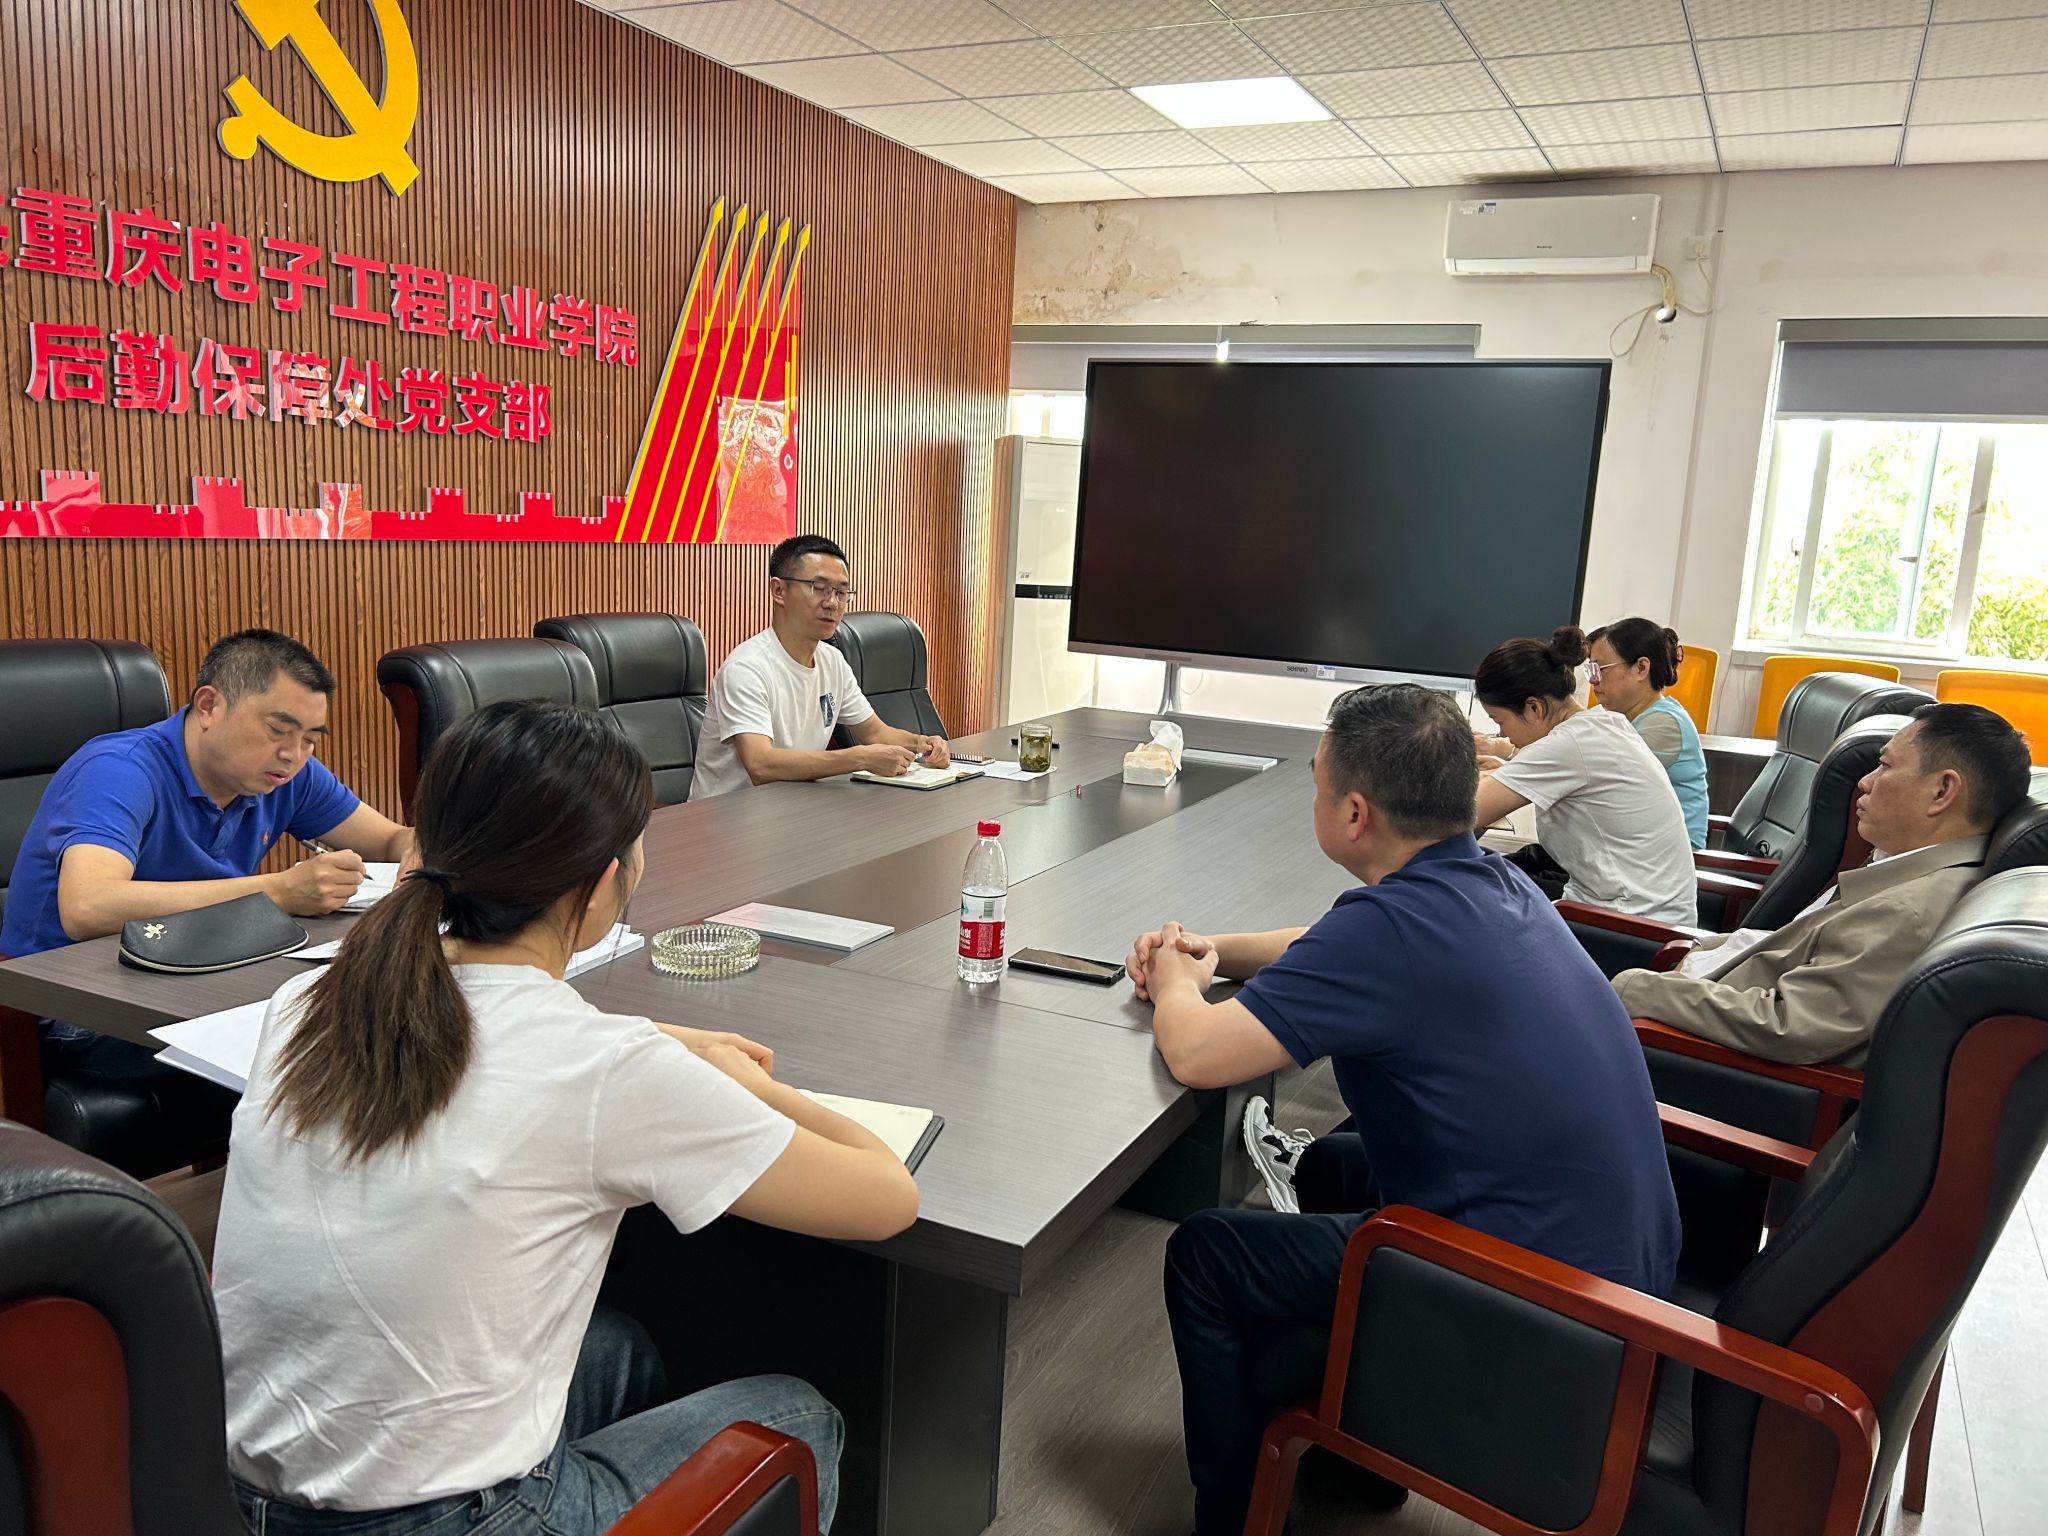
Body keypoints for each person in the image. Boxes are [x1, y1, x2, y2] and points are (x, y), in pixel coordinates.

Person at [213, 700, 919, 1534]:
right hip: (434, 1521)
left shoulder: (305, 1001)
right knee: (797, 1413)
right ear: (603, 884)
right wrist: (748, 1083)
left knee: (617, 1351)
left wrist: (657, 1040)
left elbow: (500, 1038)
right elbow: (887, 1198)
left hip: (233, 1497)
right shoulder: (608, 1073)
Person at [1123, 684, 1680, 1536]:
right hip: (1613, 1275)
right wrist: (1213, 952)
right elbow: (1328, 945)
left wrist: (1172, 983)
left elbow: (1196, 1054)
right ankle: (1365, 1451)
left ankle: (1231, 1521)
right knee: (1331, 1162)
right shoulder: (1494, 881)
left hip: (1541, 1315)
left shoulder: (1396, 930)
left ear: (1354, 813)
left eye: (1316, 782)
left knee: (1207, 1254)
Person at [0, 628, 411, 1144]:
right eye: (278, 730)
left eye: (310, 738)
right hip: (74, 1007)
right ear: (210, 706)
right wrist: (279, 891)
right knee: (328, 1060)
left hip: (193, 976)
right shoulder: (120, 770)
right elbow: (87, 906)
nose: (294, 755)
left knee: (378, 1029)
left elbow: (390, 839)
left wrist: (418, 848)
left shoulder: (286, 776)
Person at [1615, 703, 2031, 1066]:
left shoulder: (1906, 911)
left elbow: (1788, 1025)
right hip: (1711, 1000)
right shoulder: (1910, 867)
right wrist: (1701, 952)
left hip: (1699, 1061)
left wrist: (1638, 988)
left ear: (1942, 790)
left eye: (1885, 766)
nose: (1865, 782)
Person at [691, 534, 951, 797]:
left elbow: (874, 732)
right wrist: (859, 758)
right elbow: (761, 765)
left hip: (793, 804)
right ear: (778, 591)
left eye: (841, 592)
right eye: (819, 588)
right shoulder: (746, 669)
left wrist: (923, 743)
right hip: (729, 813)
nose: (832, 603)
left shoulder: (832, 661)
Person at [1473, 625, 1698, 924]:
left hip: (1631, 927)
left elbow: (1465, 814)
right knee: (1495, 874)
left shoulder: (1569, 743)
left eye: (1499, 720)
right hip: (1641, 913)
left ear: (1534, 708)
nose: (1502, 732)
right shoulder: (1601, 725)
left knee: (1471, 894)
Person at [1588, 617, 1709, 849]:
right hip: (1643, 849)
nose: (1593, 679)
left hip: (1669, 859)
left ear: (1641, 668)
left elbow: (1597, 781)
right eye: (1590, 670)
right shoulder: (1626, 717)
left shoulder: (1663, 723)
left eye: (1600, 669)